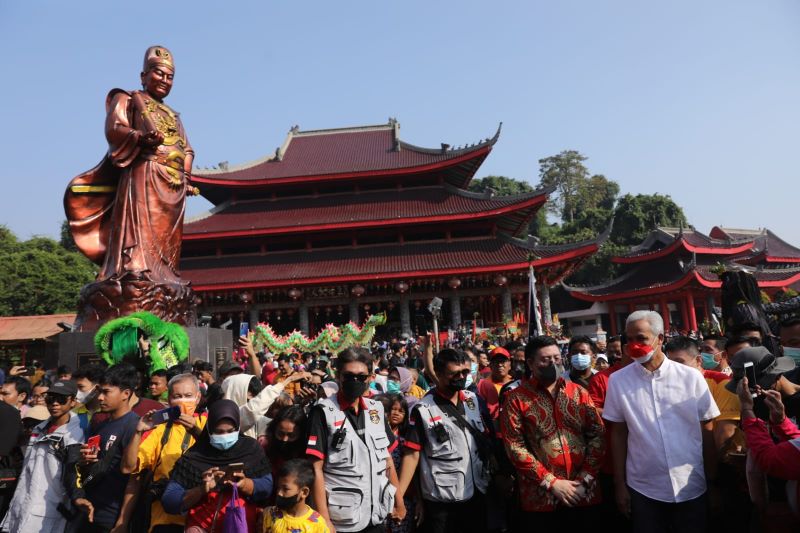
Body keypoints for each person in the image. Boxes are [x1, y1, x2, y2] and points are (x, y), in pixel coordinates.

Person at [64, 45, 198, 328]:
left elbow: (187, 148)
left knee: (167, 242)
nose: (164, 80)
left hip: (172, 183)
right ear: (143, 75)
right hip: (145, 172)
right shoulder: (129, 99)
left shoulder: (173, 115)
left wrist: (185, 175)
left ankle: (166, 275)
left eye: (170, 76)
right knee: (142, 233)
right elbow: (114, 129)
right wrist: (139, 137)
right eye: (158, 74)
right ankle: (134, 269)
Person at [603, 311, 720, 533]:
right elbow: (618, 433)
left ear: (660, 339)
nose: (634, 345)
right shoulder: (618, 381)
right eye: (629, 339)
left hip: (691, 483)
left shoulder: (690, 377)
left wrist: (713, 481)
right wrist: (620, 484)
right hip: (644, 487)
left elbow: (707, 428)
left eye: (641, 338)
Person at [500, 336, 605, 529]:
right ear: (530, 363)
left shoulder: (579, 393)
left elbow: (597, 436)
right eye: (545, 359)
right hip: (541, 498)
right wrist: (552, 483)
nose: (553, 363)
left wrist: (585, 479)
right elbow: (515, 447)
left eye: (556, 358)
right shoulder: (516, 399)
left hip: (584, 493)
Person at [306, 348, 403, 533]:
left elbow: (387, 459)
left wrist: (399, 501)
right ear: (338, 375)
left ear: (370, 377)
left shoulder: (376, 409)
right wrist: (324, 520)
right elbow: (315, 468)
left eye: (361, 376)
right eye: (348, 376)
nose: (355, 381)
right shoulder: (322, 411)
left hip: (377, 514)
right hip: (342, 520)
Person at [397, 348, 490, 533]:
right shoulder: (423, 409)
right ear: (438, 374)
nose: (461, 377)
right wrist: (398, 498)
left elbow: (488, 438)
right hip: (442, 500)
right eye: (454, 374)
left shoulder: (475, 400)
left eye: (465, 372)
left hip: (477, 491)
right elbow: (412, 455)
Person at [162, 399, 273, 532]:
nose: (225, 437)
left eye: (230, 431)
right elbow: (169, 501)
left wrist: (243, 483)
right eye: (219, 432)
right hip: (201, 527)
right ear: (208, 430)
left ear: (238, 427)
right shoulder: (195, 456)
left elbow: (266, 486)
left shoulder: (251, 450)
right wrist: (201, 489)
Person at [118, 373, 206, 533]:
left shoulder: (207, 423)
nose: (183, 401)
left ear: (198, 398)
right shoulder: (159, 429)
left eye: (188, 396)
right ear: (169, 399)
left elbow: (219, 455)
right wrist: (138, 432)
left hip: (201, 519)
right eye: (177, 396)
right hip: (163, 520)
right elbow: (128, 468)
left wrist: (195, 430)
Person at [0, 380, 84, 533]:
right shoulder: (39, 428)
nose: (55, 403)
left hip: (49, 509)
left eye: (62, 399)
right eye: (51, 398)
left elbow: (74, 471)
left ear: (73, 402)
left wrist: (77, 496)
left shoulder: (75, 435)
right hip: (22, 503)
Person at [66, 363, 141, 532]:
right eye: (100, 391)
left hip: (111, 518)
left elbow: (134, 479)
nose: (100, 397)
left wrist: (122, 521)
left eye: (106, 392)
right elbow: (90, 469)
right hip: (88, 510)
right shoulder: (100, 423)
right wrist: (85, 462)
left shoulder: (134, 426)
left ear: (126, 394)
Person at [376, 393, 414, 533]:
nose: (396, 413)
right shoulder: (376, 435)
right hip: (379, 496)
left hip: (403, 496)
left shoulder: (406, 440)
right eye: (393, 409)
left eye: (401, 411)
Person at [262, 458, 331, 533]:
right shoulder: (271, 514)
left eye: (285, 489)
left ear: (304, 492)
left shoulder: (317, 524)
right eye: (278, 488)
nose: (279, 493)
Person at [265, 406, 308, 487]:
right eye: (280, 434)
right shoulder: (264, 448)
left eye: (291, 435)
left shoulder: (307, 456)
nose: (285, 439)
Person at [476, 347, 514, 430]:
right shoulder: (482, 385)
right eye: (496, 362)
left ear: (509, 365)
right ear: (490, 365)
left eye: (503, 361)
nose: (500, 365)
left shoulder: (516, 384)